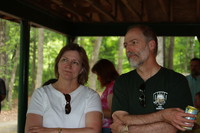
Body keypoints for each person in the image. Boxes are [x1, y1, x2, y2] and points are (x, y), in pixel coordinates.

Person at [111, 25, 196, 133]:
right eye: (125, 45)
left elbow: (173, 128)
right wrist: (163, 116)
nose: (128, 49)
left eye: (134, 43)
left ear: (151, 45)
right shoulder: (122, 81)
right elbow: (118, 120)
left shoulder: (176, 80)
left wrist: (126, 129)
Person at [25, 43, 103, 133]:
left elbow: (94, 131)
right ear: (57, 64)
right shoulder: (40, 94)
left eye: (75, 62)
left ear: (82, 69)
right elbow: (31, 131)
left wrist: (55, 131)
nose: (68, 66)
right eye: (64, 60)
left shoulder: (91, 96)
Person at [92, 59, 119, 133]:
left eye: (98, 75)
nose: (98, 78)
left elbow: (113, 113)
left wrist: (93, 110)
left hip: (108, 128)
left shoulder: (113, 87)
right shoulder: (110, 87)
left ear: (104, 73)